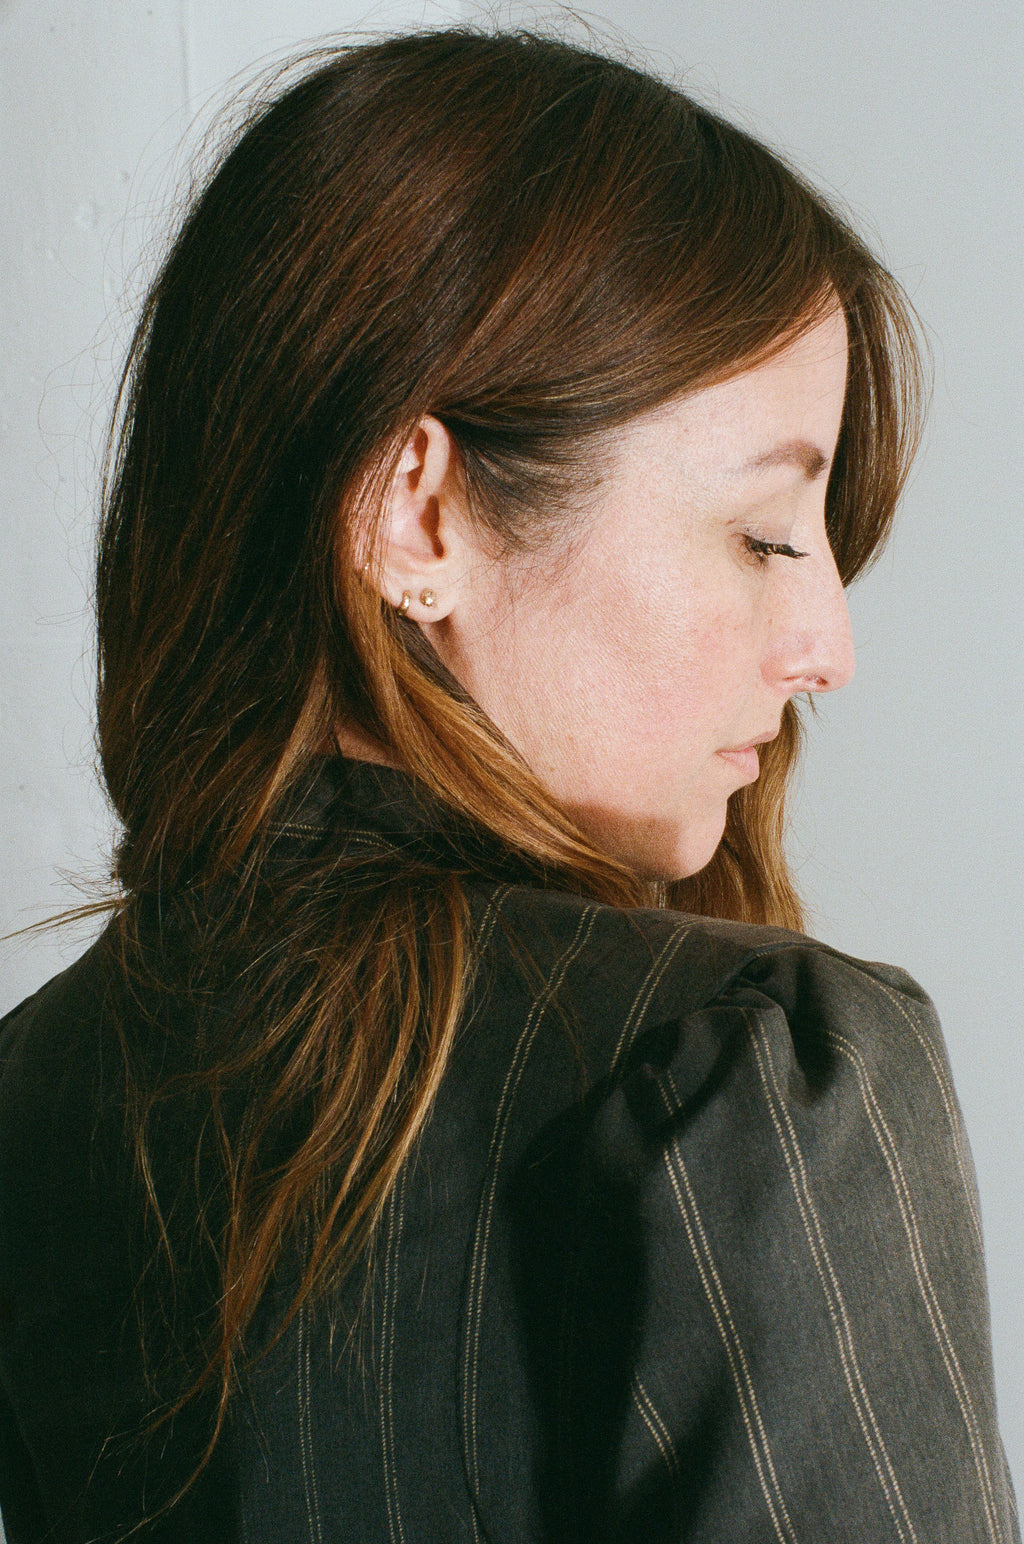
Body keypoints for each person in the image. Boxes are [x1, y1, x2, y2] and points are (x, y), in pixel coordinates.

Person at [0, 25, 1017, 1543]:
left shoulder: (36, 1098)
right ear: (420, 517)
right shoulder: (742, 1073)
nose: (826, 647)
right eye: (764, 532)